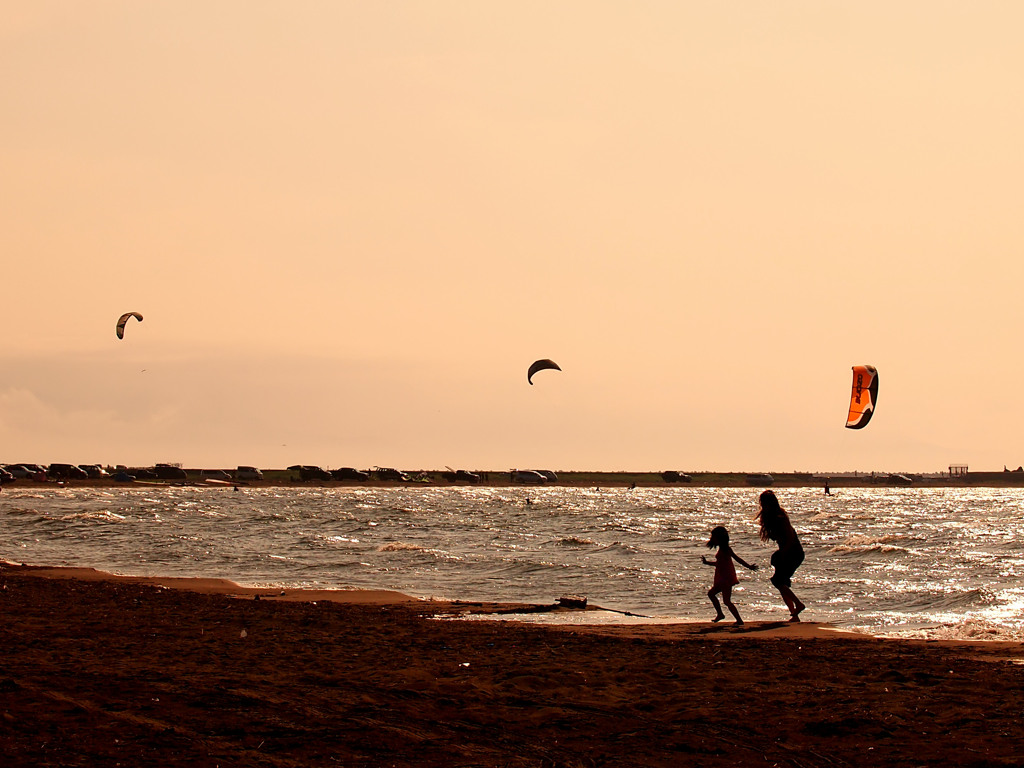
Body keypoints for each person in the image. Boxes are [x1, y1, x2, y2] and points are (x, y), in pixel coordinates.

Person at [756, 490, 806, 621]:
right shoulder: (771, 517)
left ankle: (798, 605)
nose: (762, 505)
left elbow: (789, 538)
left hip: (794, 552)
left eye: (764, 502)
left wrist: (783, 554)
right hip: (786, 551)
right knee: (781, 582)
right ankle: (794, 614)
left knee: (778, 581)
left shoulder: (780, 517)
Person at [701, 525, 757, 625]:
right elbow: (723, 563)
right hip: (722, 577)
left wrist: (749, 566)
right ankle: (720, 614)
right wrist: (707, 563)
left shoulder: (726, 549)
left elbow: (736, 559)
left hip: (725, 578)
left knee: (726, 601)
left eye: (714, 537)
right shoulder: (722, 549)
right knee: (712, 594)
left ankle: (738, 620)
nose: (712, 539)